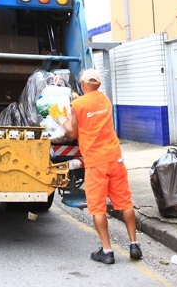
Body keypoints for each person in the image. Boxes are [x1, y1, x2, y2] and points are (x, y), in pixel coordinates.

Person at [49, 68, 142, 264]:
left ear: (83, 84)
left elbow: (73, 133)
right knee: (125, 202)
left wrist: (61, 118)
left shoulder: (78, 104)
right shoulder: (105, 100)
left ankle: (107, 251)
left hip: (95, 162)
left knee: (98, 208)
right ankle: (134, 244)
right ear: (98, 84)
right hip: (115, 158)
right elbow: (92, 106)